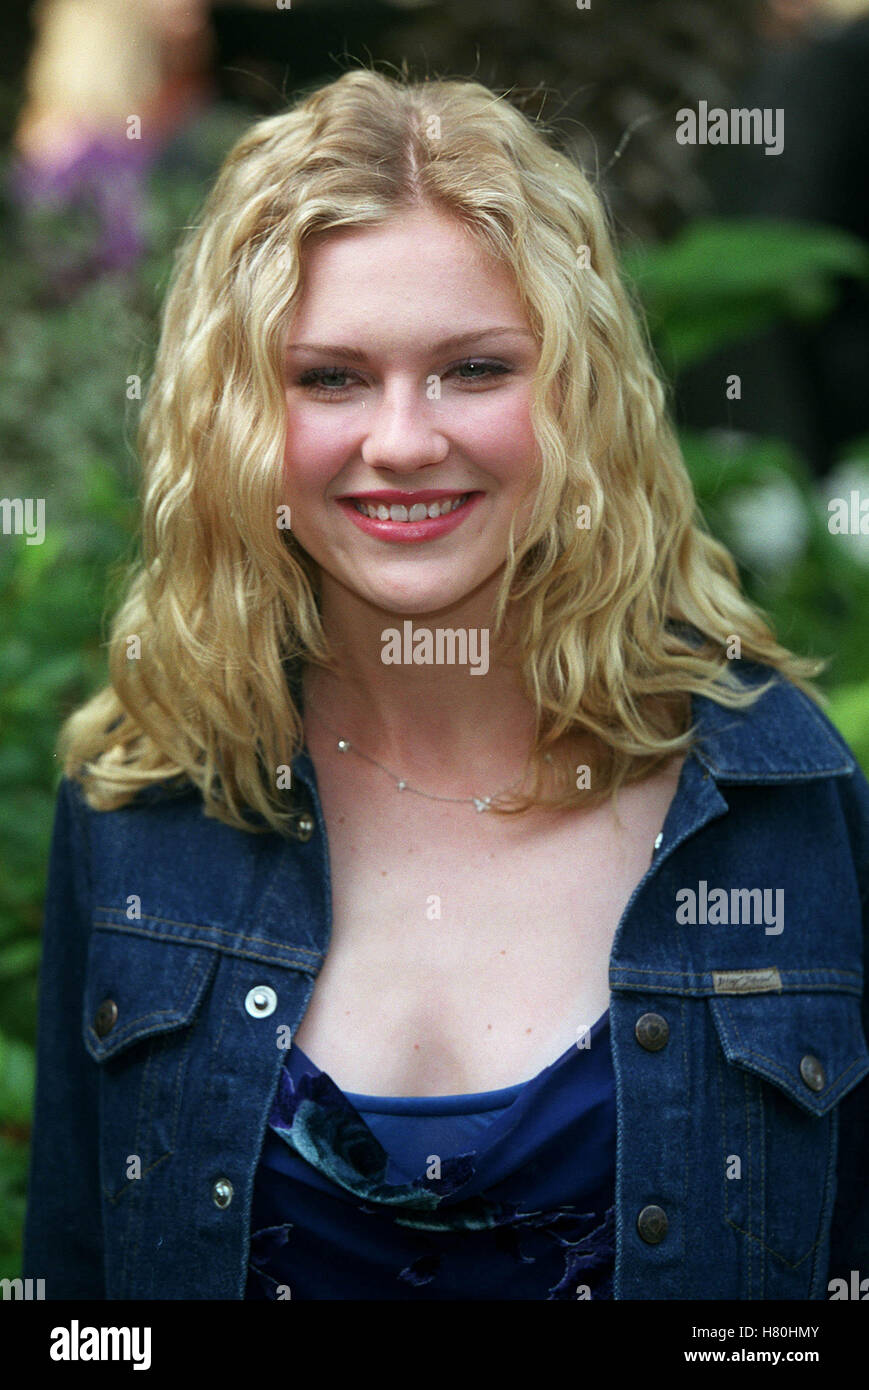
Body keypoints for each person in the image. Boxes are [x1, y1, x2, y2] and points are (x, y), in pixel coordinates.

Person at [22, 66, 869, 1301]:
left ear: (576, 396)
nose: (404, 439)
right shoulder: (142, 801)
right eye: (330, 377)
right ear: (235, 416)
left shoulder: (773, 793)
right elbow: (79, 1294)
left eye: (473, 369)